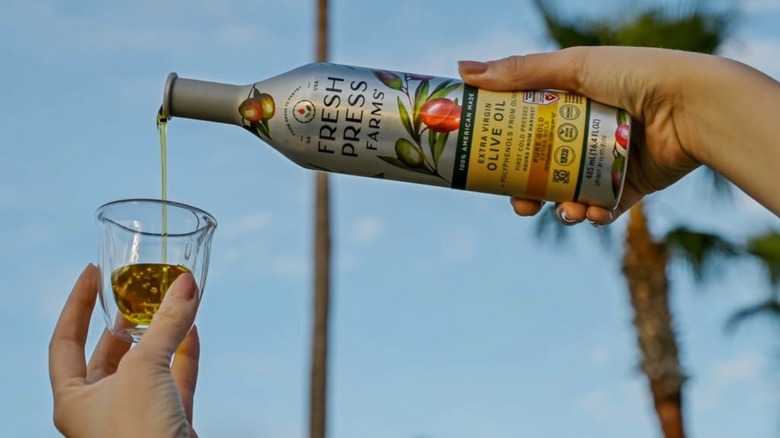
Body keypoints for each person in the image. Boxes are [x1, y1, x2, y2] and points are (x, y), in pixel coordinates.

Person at [49, 46, 780, 437]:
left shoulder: (291, 97)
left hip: (565, 135)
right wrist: (687, 113)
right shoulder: (287, 108)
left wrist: (686, 109)